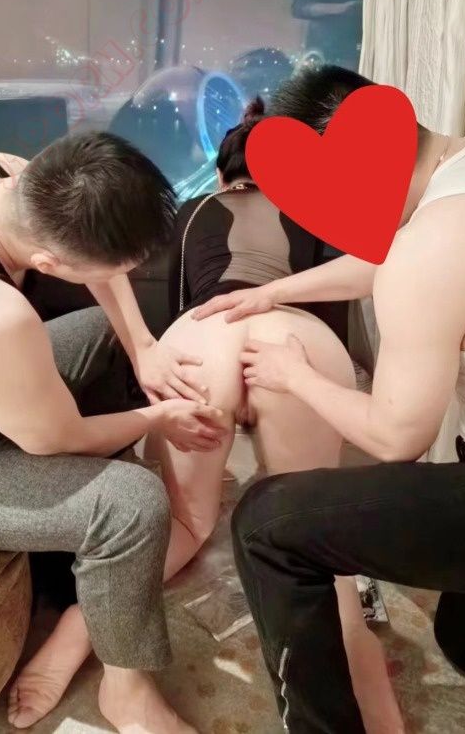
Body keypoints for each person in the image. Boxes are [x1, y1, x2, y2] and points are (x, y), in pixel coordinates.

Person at [195, 66, 465, 733]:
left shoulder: (431, 247)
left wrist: (294, 375)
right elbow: (393, 252)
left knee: (268, 524)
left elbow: (394, 438)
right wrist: (273, 292)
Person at [0, 132, 231, 734]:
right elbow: (56, 440)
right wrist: (157, 419)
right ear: (51, 266)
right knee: (132, 505)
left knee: (105, 334)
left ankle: (88, 571)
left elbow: (98, 271)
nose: (126, 276)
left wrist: (143, 348)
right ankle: (126, 691)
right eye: (118, 268)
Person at [144, 98, 404, 734]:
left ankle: (76, 638)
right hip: (294, 339)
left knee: (185, 523)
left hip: (202, 339)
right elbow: (337, 307)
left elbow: (176, 300)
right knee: (316, 548)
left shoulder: (194, 209)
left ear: (222, 172)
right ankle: (375, 700)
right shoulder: (313, 207)